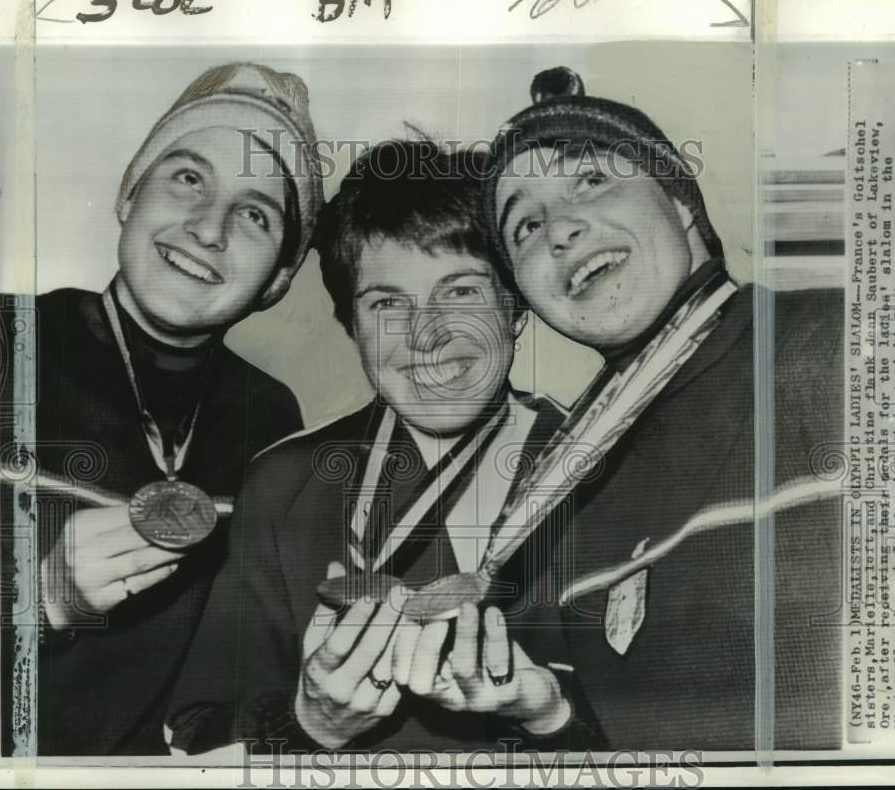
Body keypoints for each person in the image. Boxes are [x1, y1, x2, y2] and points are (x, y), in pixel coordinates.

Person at [166, 140, 596, 754]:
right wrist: (309, 725)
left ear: (516, 306)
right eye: (388, 302)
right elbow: (194, 732)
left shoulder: (602, 465)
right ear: (350, 326)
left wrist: (549, 717)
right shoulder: (283, 484)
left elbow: (685, 735)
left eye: (462, 291)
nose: (427, 335)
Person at [479, 67, 844, 750]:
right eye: (525, 225)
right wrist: (549, 716)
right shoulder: (545, 506)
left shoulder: (834, 344)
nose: (558, 230)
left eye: (590, 179)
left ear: (679, 199)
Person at [1, 62, 323, 755]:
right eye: (187, 177)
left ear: (279, 280)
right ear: (129, 191)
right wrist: (35, 598)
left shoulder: (269, 421)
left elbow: (240, 676)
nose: (210, 228)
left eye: (255, 213)